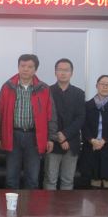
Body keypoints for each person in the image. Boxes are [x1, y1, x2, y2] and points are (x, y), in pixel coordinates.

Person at [0, 54, 56, 189]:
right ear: (18, 67)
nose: (25, 69)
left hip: (34, 137)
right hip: (13, 135)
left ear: (35, 69)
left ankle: (32, 203)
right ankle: (11, 203)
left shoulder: (44, 88)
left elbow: (51, 115)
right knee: (11, 178)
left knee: (32, 178)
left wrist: (51, 138)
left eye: (30, 67)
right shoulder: (7, 87)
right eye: (22, 66)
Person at [43, 58, 86, 190]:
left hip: (72, 142)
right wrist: (58, 137)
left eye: (66, 70)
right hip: (52, 142)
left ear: (71, 73)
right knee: (50, 179)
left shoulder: (79, 93)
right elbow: (45, 117)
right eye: (60, 70)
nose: (63, 73)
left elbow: (80, 118)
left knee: (68, 180)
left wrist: (65, 135)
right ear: (55, 72)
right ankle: (48, 205)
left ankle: (66, 205)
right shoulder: (47, 91)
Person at [79, 75, 108, 189]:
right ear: (96, 86)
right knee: (94, 184)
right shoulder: (87, 105)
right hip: (92, 147)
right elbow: (83, 126)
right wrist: (92, 140)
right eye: (102, 84)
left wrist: (104, 141)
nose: (105, 87)